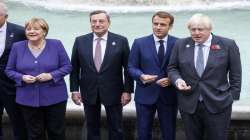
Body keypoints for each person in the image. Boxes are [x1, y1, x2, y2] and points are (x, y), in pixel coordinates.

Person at [168, 13, 242, 140]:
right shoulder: (180, 44)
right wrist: (178, 80)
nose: (196, 33)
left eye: (200, 29)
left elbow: (236, 74)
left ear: (210, 29)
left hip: (219, 104)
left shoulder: (228, 45)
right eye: (193, 29)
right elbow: (172, 68)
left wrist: (231, 98)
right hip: (189, 104)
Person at [70, 10, 134, 140]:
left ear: (108, 23)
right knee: (91, 127)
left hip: (114, 91)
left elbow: (128, 69)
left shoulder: (121, 41)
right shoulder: (80, 41)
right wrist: (74, 90)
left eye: (101, 21)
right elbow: (74, 69)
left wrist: (127, 91)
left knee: (116, 127)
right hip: (88, 90)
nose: (97, 24)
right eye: (94, 21)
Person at [5, 17, 72, 140]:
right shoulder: (17, 47)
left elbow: (67, 66)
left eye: (36, 29)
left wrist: (51, 75)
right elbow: (9, 70)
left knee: (56, 133)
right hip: (27, 99)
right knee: (34, 134)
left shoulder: (56, 44)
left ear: (44, 31)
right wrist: (22, 77)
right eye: (28, 29)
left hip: (55, 98)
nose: (32, 31)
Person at [128, 11, 178, 140]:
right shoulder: (139, 43)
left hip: (169, 96)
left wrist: (172, 79)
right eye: (155, 24)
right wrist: (141, 76)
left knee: (169, 133)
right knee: (143, 134)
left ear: (170, 26)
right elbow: (131, 67)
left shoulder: (178, 43)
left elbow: (184, 68)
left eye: (162, 24)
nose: (158, 27)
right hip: (145, 95)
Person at [0, 2, 28, 140]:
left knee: (19, 124)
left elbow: (33, 52)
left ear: (6, 16)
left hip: (12, 86)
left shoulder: (20, 32)